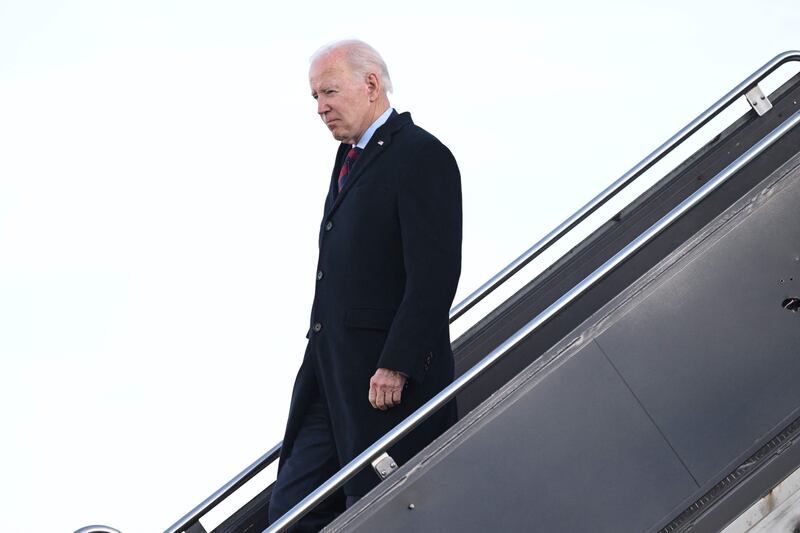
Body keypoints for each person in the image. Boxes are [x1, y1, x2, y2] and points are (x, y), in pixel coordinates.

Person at [267, 39, 462, 531]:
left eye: (328, 92)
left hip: (382, 389)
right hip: (327, 380)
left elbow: (434, 275)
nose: (320, 108)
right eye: (314, 97)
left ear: (371, 84)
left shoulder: (421, 155)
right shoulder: (348, 160)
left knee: (376, 515)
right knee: (291, 512)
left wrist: (396, 363)